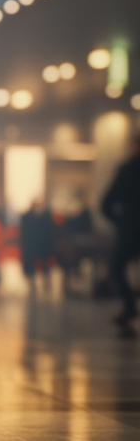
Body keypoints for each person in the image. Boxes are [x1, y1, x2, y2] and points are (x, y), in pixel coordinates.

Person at [101, 134, 140, 338]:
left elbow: (106, 203)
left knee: (117, 266)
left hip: (130, 231)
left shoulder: (127, 170)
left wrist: (121, 221)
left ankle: (129, 306)